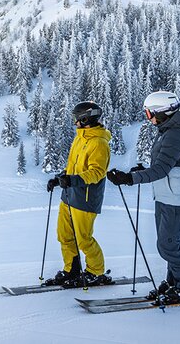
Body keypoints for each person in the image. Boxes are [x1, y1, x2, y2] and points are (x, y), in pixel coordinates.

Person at [107, 90, 180, 303]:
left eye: (149, 114)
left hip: (178, 199)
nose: (148, 118)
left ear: (162, 112)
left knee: (168, 245)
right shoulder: (167, 130)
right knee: (168, 243)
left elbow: (161, 170)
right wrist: (137, 171)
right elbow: (163, 165)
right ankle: (175, 282)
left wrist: (129, 179)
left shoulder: (176, 134)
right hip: (166, 196)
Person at [45, 101, 112, 287]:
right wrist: (59, 179)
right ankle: (72, 269)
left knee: (84, 240)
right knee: (64, 235)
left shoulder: (99, 143)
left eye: (77, 118)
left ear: (85, 118)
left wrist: (73, 181)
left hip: (86, 197)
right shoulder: (80, 138)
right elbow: (72, 167)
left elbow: (97, 172)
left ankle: (96, 272)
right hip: (69, 195)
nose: (75, 122)